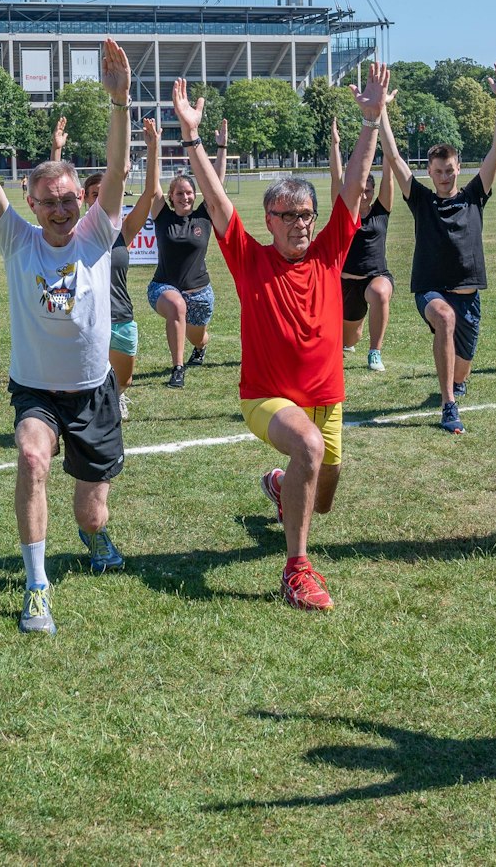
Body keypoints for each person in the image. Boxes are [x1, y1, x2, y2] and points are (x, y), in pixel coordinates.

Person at [189, 72, 386, 610]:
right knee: (309, 447)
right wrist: (192, 137)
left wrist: (370, 121)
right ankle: (296, 571)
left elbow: (355, 180)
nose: (300, 224)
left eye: (306, 215)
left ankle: (282, 486)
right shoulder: (248, 257)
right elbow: (213, 197)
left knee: (321, 499)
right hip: (266, 399)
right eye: (288, 215)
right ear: (268, 220)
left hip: (329, 402)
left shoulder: (330, 251)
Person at [0, 37, 132, 634]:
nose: (59, 210)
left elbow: (118, 170)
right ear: (30, 203)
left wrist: (119, 104)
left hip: (93, 392)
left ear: (78, 200)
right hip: (35, 389)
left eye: (67, 200)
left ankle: (94, 535)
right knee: (32, 457)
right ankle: (37, 586)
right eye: (48, 201)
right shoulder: (17, 241)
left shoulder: (96, 236)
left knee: (91, 508)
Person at [381, 62, 496, 433]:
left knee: (461, 365)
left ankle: (455, 384)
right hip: (431, 290)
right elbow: (392, 157)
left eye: (450, 170)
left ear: (458, 167)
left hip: (469, 295)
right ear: (429, 172)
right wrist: (382, 112)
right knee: (445, 319)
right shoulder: (420, 199)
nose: (445, 176)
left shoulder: (473, 196)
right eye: (438, 171)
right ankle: (448, 407)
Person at [62, 115, 163, 412]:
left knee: (123, 381)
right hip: (85, 319)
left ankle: (115, 396)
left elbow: (150, 194)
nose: (98, 201)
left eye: (103, 195)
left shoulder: (124, 232)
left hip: (121, 317)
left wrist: (154, 147)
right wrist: (57, 152)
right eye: (94, 195)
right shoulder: (73, 233)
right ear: (83, 200)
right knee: (85, 383)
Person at [149, 117, 227, 388]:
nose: (185, 197)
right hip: (163, 287)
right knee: (176, 306)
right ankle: (178, 368)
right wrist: (153, 146)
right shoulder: (162, 215)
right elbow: (153, 185)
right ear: (171, 197)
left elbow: (215, 184)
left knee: (199, 336)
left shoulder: (204, 217)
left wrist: (222, 148)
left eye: (189, 193)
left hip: (200, 293)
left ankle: (200, 347)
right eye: (179, 194)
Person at [327, 115, 394, 371]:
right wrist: (335, 144)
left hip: (376, 276)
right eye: (360, 189)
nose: (364, 194)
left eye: (368, 190)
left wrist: (385, 132)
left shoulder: (381, 209)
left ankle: (375, 352)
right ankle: (358, 327)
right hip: (345, 282)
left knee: (379, 293)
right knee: (348, 339)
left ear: (374, 192)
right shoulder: (344, 210)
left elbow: (389, 172)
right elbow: (337, 178)